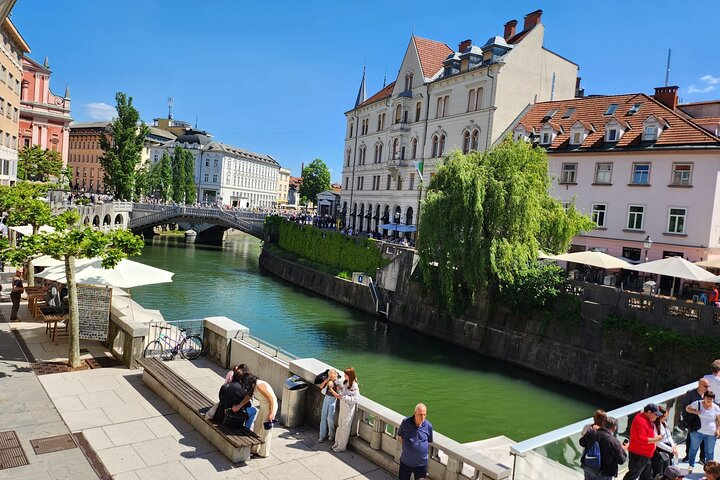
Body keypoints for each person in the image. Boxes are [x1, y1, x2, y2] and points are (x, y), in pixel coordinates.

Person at [622, 403, 664, 480]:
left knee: (647, 476)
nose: (657, 416)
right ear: (649, 412)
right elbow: (640, 438)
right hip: (639, 454)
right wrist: (656, 439)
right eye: (656, 414)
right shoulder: (640, 421)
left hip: (645, 454)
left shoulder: (646, 419)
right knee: (633, 475)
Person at [685, 390, 720, 471]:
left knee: (710, 452)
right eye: (707, 398)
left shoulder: (716, 408)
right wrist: (695, 411)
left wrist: (718, 429)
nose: (709, 400)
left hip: (711, 433)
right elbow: (687, 408)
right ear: (704, 397)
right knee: (693, 448)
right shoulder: (697, 403)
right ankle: (691, 465)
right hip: (697, 431)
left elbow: (719, 420)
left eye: (711, 399)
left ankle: (709, 469)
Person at [397, 403, 433, 480]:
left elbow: (429, 440)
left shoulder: (428, 426)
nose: (422, 417)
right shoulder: (406, 422)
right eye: (420, 415)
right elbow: (400, 435)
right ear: (414, 413)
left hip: (421, 464)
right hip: (406, 462)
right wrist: (407, 448)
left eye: (424, 415)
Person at [680, 378, 709, 463]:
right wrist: (686, 418)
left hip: (705, 421)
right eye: (705, 386)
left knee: (704, 439)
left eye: (708, 386)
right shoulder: (690, 393)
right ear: (699, 385)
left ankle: (702, 457)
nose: (707, 388)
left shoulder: (708, 394)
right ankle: (688, 456)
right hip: (693, 420)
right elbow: (684, 406)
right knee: (690, 438)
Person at [331, 367, 360, 453]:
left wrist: (343, 397)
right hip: (343, 405)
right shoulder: (345, 382)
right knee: (340, 424)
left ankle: (342, 446)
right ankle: (337, 442)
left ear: (349, 375)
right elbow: (344, 393)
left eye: (346, 374)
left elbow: (356, 399)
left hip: (348, 407)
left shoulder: (354, 385)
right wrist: (340, 392)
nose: (344, 375)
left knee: (345, 427)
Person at [250, 376, 278, 458]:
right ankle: (255, 449)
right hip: (263, 406)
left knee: (266, 430)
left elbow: (271, 399)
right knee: (257, 427)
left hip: (270, 407)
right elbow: (248, 397)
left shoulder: (259, 385)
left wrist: (271, 414)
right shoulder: (252, 386)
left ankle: (263, 453)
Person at [315, 368, 341, 443]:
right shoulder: (328, 381)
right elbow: (321, 387)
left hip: (333, 400)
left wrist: (331, 387)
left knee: (330, 418)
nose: (330, 377)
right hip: (326, 398)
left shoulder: (338, 382)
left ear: (335, 375)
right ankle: (322, 435)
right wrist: (326, 381)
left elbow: (338, 395)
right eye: (329, 376)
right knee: (323, 417)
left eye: (331, 376)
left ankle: (331, 435)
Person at [651, 405, 676, 478]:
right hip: (660, 451)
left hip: (668, 449)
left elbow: (669, 436)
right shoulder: (654, 426)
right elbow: (657, 442)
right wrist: (671, 449)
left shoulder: (664, 424)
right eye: (665, 416)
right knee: (659, 471)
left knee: (667, 469)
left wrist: (673, 446)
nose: (666, 418)